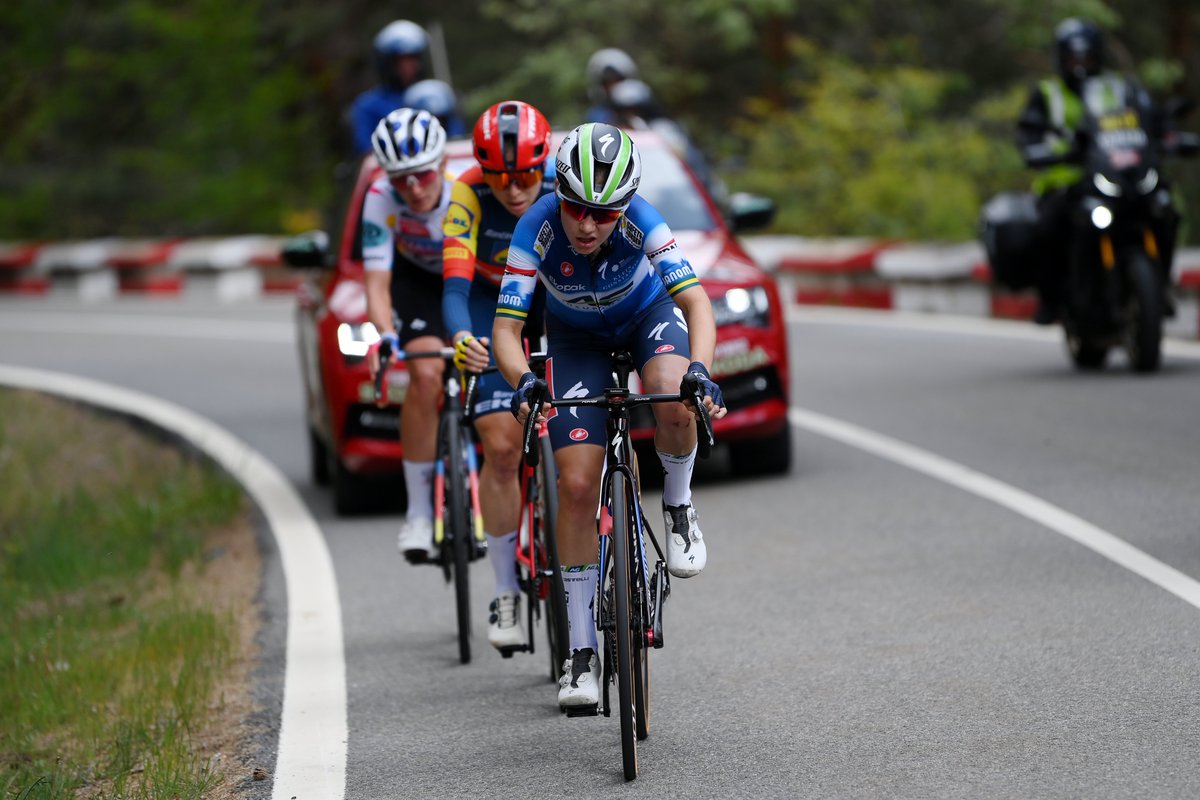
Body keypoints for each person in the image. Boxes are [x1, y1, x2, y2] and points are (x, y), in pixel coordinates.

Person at [491, 123, 727, 708]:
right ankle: (580, 652)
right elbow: (506, 329)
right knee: (575, 484)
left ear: (625, 204)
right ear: (559, 195)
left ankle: (676, 505)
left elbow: (696, 302)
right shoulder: (536, 227)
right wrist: (522, 381)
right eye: (577, 208)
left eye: (606, 212)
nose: (589, 224)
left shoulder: (645, 221)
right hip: (575, 343)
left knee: (674, 395)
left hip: (646, 319)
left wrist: (700, 368)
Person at [441, 100, 555, 653]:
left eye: (527, 175)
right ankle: (506, 589)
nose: (513, 190)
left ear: (545, 165)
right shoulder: (465, 193)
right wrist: (463, 337)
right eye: (500, 178)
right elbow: (455, 287)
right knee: (502, 448)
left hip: (551, 299)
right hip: (491, 303)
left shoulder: (565, 186)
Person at [1016, 18, 1154, 324]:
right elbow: (1028, 133)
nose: (1080, 65)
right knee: (1048, 228)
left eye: (1087, 58)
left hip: (1114, 174)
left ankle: (1158, 283)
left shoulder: (1118, 88)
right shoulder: (1047, 93)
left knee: (1161, 205)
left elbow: (1148, 120)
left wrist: (1168, 136)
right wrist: (1040, 151)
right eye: (1072, 59)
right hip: (1065, 181)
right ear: (1061, 59)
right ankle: (1051, 298)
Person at [362, 108, 454, 561]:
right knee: (424, 375)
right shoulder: (380, 196)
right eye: (401, 179)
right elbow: (376, 285)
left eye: (420, 174)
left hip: (466, 279)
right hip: (415, 283)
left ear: (439, 165)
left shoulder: (464, 191)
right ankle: (419, 512)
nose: (413, 188)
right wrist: (383, 335)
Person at [351, 20, 435, 154]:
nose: (408, 67)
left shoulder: (434, 98)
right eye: (401, 61)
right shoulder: (368, 106)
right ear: (387, 63)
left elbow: (454, 140)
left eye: (412, 59)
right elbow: (366, 151)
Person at [583, 48, 640, 124]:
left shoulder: (642, 109)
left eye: (617, 81)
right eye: (607, 83)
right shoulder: (596, 115)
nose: (613, 87)